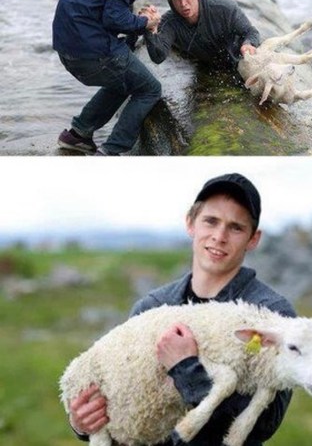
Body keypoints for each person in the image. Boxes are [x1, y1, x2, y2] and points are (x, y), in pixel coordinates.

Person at [67, 173, 295, 445]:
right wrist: (83, 424)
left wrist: (187, 368)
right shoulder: (151, 307)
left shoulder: (272, 316)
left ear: (253, 239)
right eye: (211, 221)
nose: (219, 236)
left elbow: (263, 424)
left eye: (235, 228)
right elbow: (124, 403)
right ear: (190, 223)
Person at [52, 0, 163, 156]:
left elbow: (104, 9)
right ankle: (111, 152)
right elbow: (114, 18)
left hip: (66, 47)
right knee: (149, 89)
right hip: (91, 53)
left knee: (124, 77)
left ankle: (77, 135)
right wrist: (145, 23)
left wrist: (134, 21)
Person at [144, 0, 260, 74]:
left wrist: (248, 44)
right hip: (208, 69)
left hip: (240, 63)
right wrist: (150, 29)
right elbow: (158, 57)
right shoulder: (169, 22)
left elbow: (251, 32)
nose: (183, 4)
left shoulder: (225, 9)